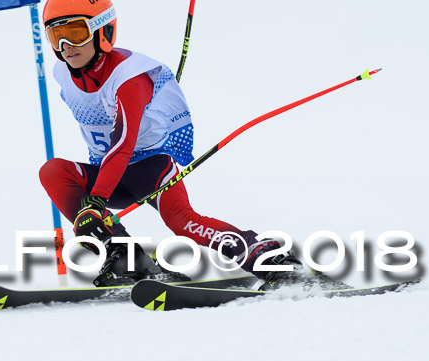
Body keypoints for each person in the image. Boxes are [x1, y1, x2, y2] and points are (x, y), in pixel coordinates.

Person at [39, 0, 298, 287]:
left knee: (182, 222)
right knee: (53, 171)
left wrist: (96, 201)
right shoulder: (62, 72)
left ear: (103, 31)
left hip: (150, 168)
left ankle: (266, 257)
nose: (65, 45)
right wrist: (92, 210)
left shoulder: (130, 77)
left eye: (76, 33)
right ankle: (128, 259)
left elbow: (123, 142)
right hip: (109, 173)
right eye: (55, 35)